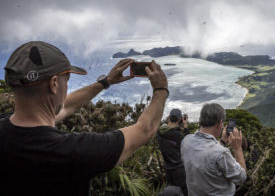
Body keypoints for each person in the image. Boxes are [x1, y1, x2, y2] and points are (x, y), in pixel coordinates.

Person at [0, 41, 168, 196]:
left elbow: (65, 106)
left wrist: (105, 82)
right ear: (54, 83)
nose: (66, 88)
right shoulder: (73, 151)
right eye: (67, 80)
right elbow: (145, 129)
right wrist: (161, 89)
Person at [181, 103, 247, 196]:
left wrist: (223, 141)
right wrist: (237, 149)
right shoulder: (221, 153)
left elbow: (207, 153)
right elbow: (241, 178)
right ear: (220, 123)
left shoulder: (186, 141)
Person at [157, 108, 189, 195]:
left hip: (167, 168)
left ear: (168, 117)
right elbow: (188, 145)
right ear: (180, 119)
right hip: (179, 170)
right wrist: (185, 127)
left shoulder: (159, 132)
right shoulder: (178, 135)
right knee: (183, 192)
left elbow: (167, 128)